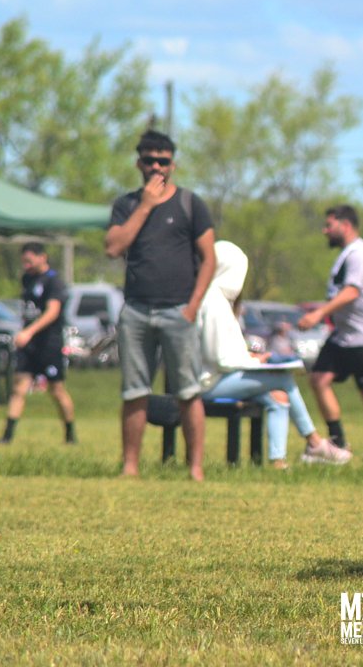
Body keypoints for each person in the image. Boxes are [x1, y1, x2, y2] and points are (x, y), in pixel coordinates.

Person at [105, 128, 216, 481]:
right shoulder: (126, 205)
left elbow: (209, 259)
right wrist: (146, 206)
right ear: (139, 163)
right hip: (136, 310)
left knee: (188, 391)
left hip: (178, 310)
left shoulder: (190, 204)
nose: (156, 167)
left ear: (173, 164)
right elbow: (113, 247)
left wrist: (192, 306)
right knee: (134, 391)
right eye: (149, 160)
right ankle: (130, 467)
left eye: (163, 161)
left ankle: (195, 468)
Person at [198, 241, 350, 469]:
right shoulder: (212, 302)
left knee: (278, 395)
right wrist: (252, 361)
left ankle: (278, 462)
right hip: (208, 384)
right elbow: (219, 358)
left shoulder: (216, 299)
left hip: (220, 378)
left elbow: (223, 351)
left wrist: (250, 358)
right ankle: (315, 443)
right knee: (283, 379)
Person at [297, 205, 363, 462]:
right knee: (318, 378)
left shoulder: (359, 253)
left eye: (329, 225)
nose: (325, 231)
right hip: (343, 335)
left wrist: (318, 314)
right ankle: (337, 444)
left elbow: (351, 292)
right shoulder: (347, 253)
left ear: (345, 225)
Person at [0, 242, 77, 445]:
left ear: (43, 257)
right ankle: (7, 436)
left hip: (48, 344)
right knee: (19, 388)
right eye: (23, 261)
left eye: (29, 261)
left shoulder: (54, 282)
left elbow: (52, 312)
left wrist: (29, 332)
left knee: (56, 390)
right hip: (28, 344)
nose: (26, 265)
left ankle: (70, 435)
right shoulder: (27, 279)